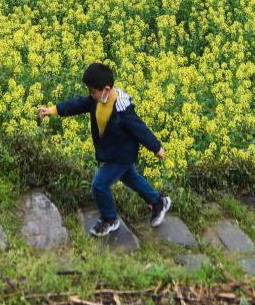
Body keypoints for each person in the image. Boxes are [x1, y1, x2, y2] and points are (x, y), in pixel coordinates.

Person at [38, 62, 171, 237]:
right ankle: (158, 201)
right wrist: (53, 110)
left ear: (106, 89)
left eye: (93, 91)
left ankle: (110, 219)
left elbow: (139, 128)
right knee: (131, 179)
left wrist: (156, 147)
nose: (91, 95)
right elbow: (76, 105)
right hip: (112, 151)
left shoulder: (122, 107)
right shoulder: (97, 100)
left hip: (122, 154)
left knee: (99, 185)